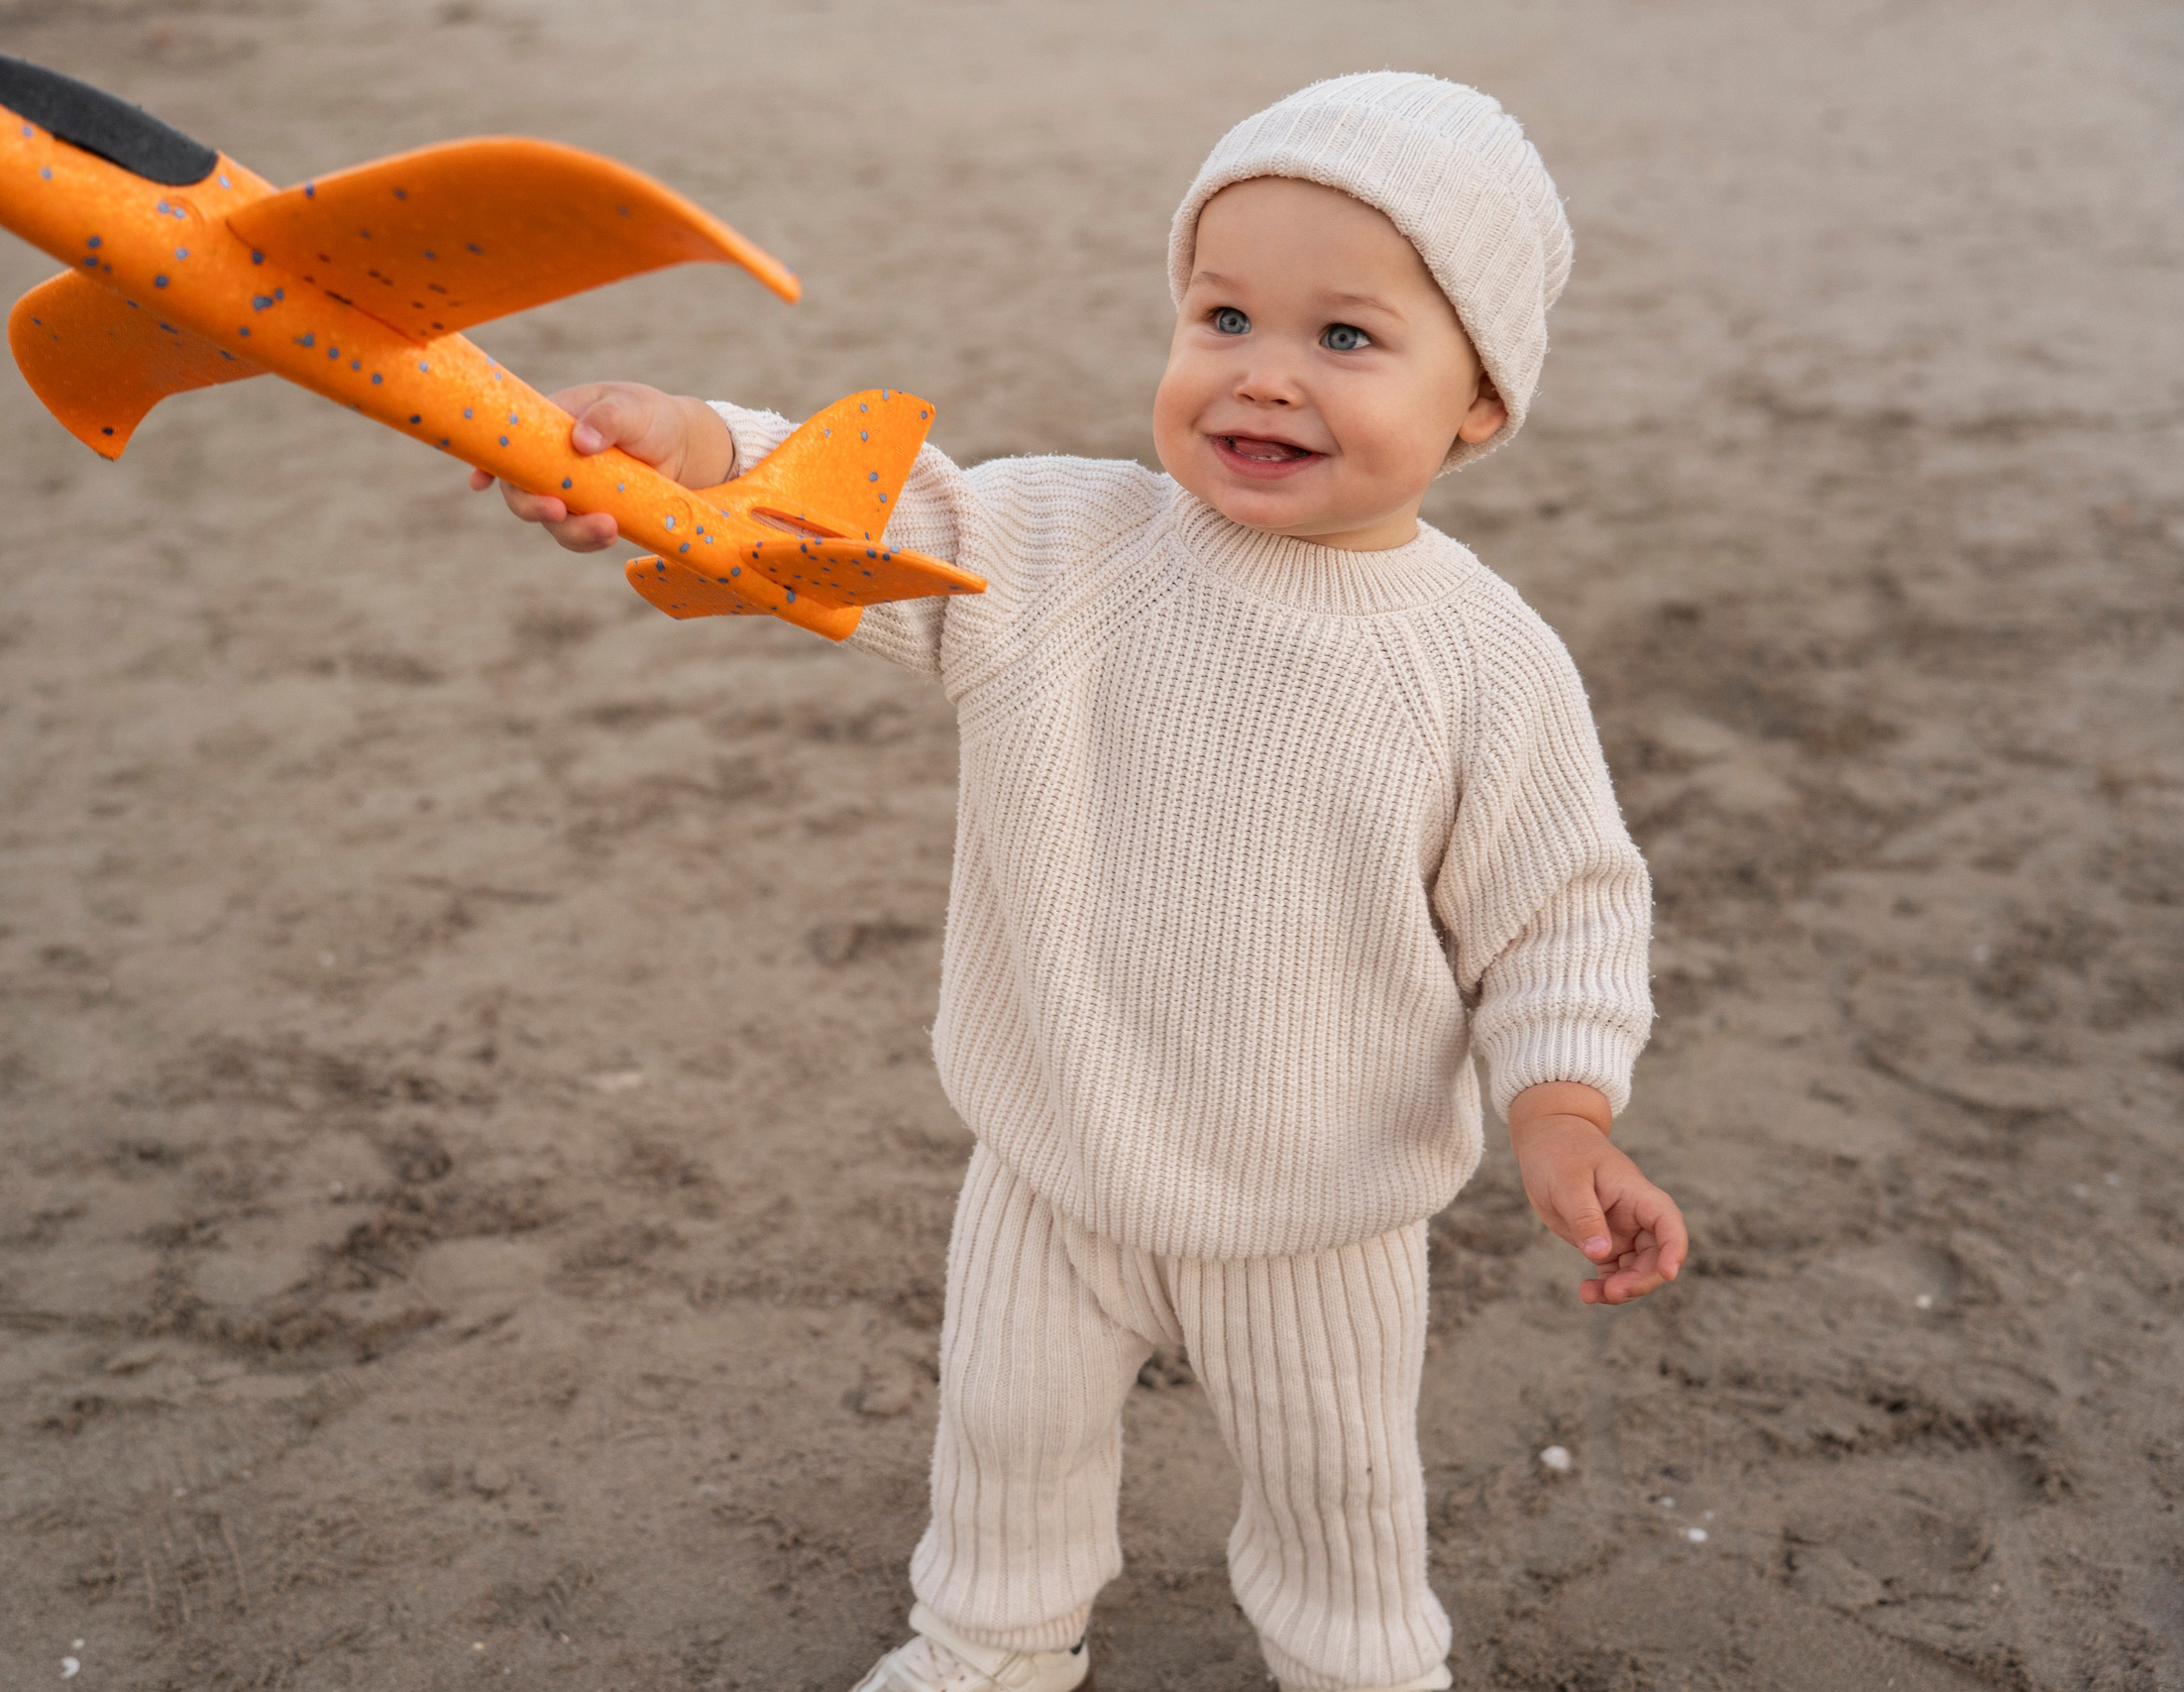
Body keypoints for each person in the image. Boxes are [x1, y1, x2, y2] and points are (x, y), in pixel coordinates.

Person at [479, 72, 1690, 1692]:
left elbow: (1559, 916)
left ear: (1479, 403)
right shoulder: (1070, 542)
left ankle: (1361, 1667)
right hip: (1050, 1147)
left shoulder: (1481, 664)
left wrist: (1563, 1113)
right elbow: (877, 515)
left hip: (1310, 1202)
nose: (1264, 374)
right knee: (1005, 1441)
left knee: (1336, 1498)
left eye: (1348, 338)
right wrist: (694, 454)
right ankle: (991, 1643)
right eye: (1223, 314)